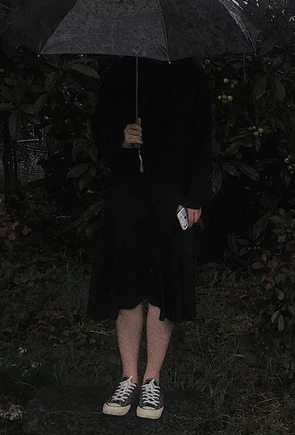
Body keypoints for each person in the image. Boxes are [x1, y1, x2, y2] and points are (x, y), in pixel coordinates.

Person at [87, 56, 212, 420]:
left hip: (171, 195)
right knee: (127, 283)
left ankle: (152, 380)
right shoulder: (121, 74)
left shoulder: (192, 74)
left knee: (164, 284)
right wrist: (121, 139)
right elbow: (100, 131)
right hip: (127, 194)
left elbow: (203, 140)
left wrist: (194, 196)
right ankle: (128, 376)